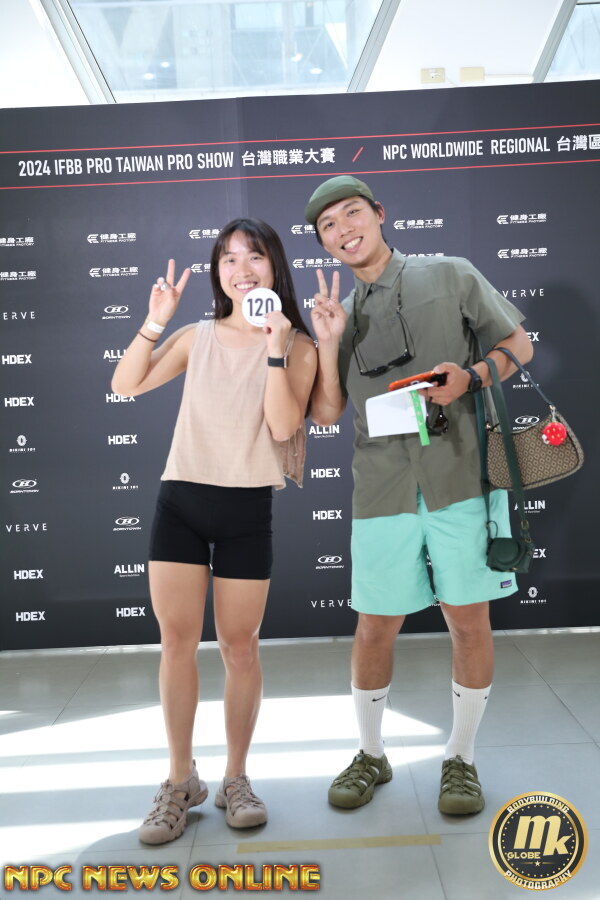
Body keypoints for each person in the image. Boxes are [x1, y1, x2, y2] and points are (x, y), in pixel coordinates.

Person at [304, 176, 533, 815]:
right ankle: (371, 753)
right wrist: (329, 341)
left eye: (353, 213)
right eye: (328, 225)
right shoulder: (337, 314)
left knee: (468, 621)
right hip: (382, 488)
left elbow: (519, 344)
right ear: (323, 244)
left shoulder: (450, 274)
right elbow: (326, 412)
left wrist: (473, 377)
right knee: (374, 625)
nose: (344, 229)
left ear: (379, 214)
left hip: (460, 478)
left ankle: (461, 758)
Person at [112, 218, 316, 844]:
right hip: (182, 500)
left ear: (274, 267)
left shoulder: (299, 346)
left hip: (246, 510)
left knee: (240, 647)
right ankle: (181, 781)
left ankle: (235, 778)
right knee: (176, 642)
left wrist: (275, 347)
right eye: (228, 259)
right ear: (217, 273)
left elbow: (283, 427)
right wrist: (155, 321)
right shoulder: (195, 336)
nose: (241, 269)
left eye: (254, 257)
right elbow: (124, 384)